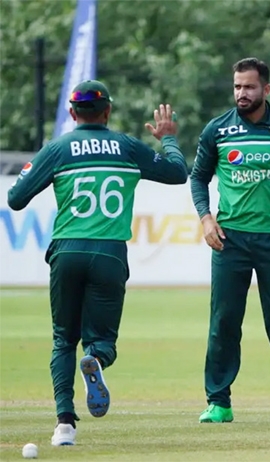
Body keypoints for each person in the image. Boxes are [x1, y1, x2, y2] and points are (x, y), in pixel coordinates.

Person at [6, 80, 189, 446]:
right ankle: (96, 360)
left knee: (62, 340)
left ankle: (64, 426)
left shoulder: (58, 148)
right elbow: (178, 172)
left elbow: (15, 199)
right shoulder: (126, 146)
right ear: (107, 112)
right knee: (102, 341)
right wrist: (167, 137)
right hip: (108, 252)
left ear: (73, 114)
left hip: (67, 251)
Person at [190, 57, 270, 424]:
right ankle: (218, 401)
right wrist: (206, 217)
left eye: (249, 87)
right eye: (237, 87)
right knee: (224, 321)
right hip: (230, 240)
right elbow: (197, 178)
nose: (242, 94)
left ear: (266, 89)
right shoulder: (217, 130)